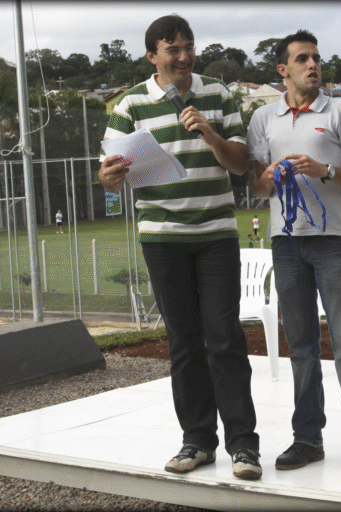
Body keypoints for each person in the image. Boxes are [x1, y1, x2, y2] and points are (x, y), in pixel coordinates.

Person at [97, 14, 261, 481]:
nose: (184, 56)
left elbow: (239, 164)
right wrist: (108, 179)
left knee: (226, 338)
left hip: (215, 235)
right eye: (173, 49)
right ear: (153, 56)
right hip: (163, 238)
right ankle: (197, 442)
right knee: (184, 343)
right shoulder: (129, 105)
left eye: (189, 47)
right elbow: (113, 177)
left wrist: (209, 134)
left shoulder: (219, 95)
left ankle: (244, 447)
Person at [247, 30, 341, 475]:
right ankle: (307, 439)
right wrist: (269, 176)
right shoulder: (264, 118)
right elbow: (257, 186)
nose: (313, 66)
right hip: (285, 244)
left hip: (333, 243)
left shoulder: (340, 110)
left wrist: (325, 170)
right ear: (283, 70)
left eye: (317, 59)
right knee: (302, 347)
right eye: (302, 59)